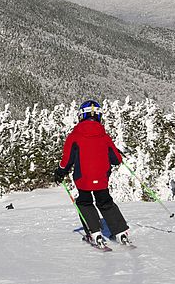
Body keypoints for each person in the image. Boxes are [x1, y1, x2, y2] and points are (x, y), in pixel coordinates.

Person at [54, 100, 131, 248]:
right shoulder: (104, 136)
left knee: (84, 202)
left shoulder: (74, 136)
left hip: (83, 178)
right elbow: (117, 160)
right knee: (105, 201)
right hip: (101, 178)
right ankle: (120, 232)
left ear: (81, 116)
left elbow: (67, 160)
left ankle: (94, 233)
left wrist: (60, 171)